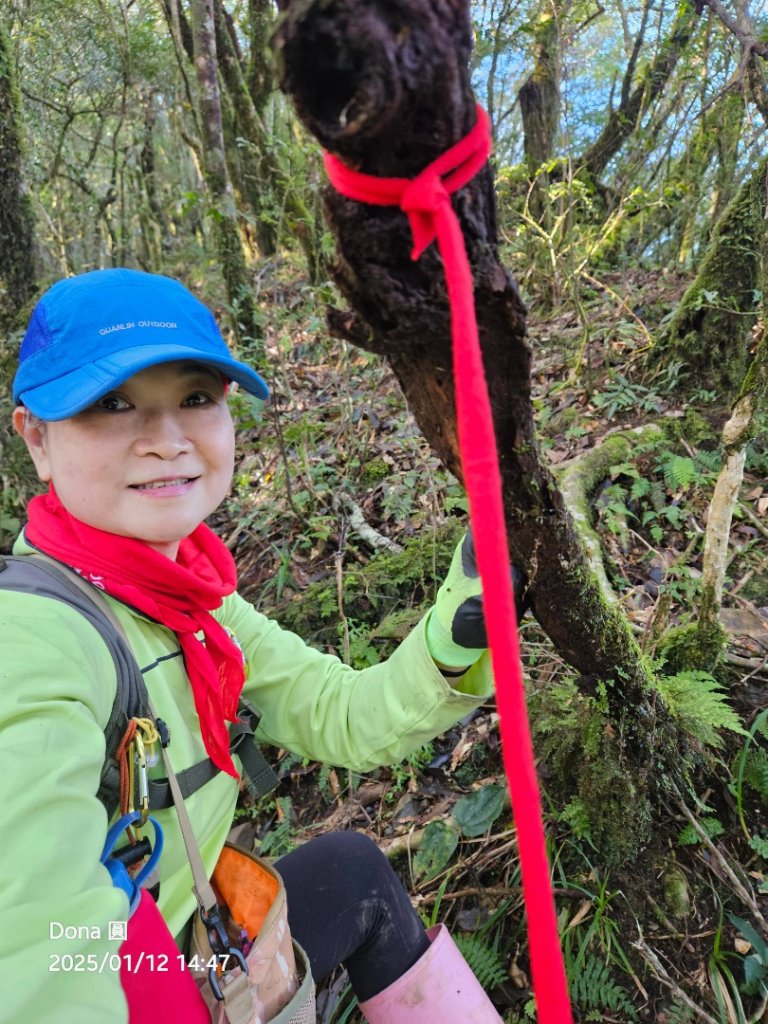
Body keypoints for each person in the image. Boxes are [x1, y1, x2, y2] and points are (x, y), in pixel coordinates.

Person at [1, 268, 513, 1024]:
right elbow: (40, 954)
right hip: (144, 985)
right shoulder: (34, 639)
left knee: (352, 869)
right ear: (37, 439)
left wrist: (455, 629)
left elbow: (347, 715)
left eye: (196, 398)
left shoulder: (194, 604)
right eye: (112, 404)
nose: (167, 440)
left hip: (194, 936)